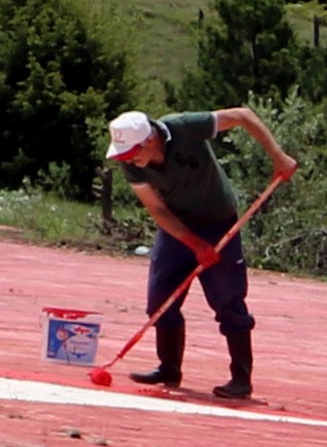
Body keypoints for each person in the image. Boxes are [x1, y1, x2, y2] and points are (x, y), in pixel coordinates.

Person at [102, 103, 280, 399]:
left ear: (149, 139)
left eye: (131, 153)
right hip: (177, 228)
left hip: (219, 222)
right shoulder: (132, 163)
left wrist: (278, 156)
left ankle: (241, 380)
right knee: (161, 300)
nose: (128, 160)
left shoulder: (185, 126)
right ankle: (169, 368)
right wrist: (193, 243)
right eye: (123, 155)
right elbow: (157, 209)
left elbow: (242, 116)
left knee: (229, 303)